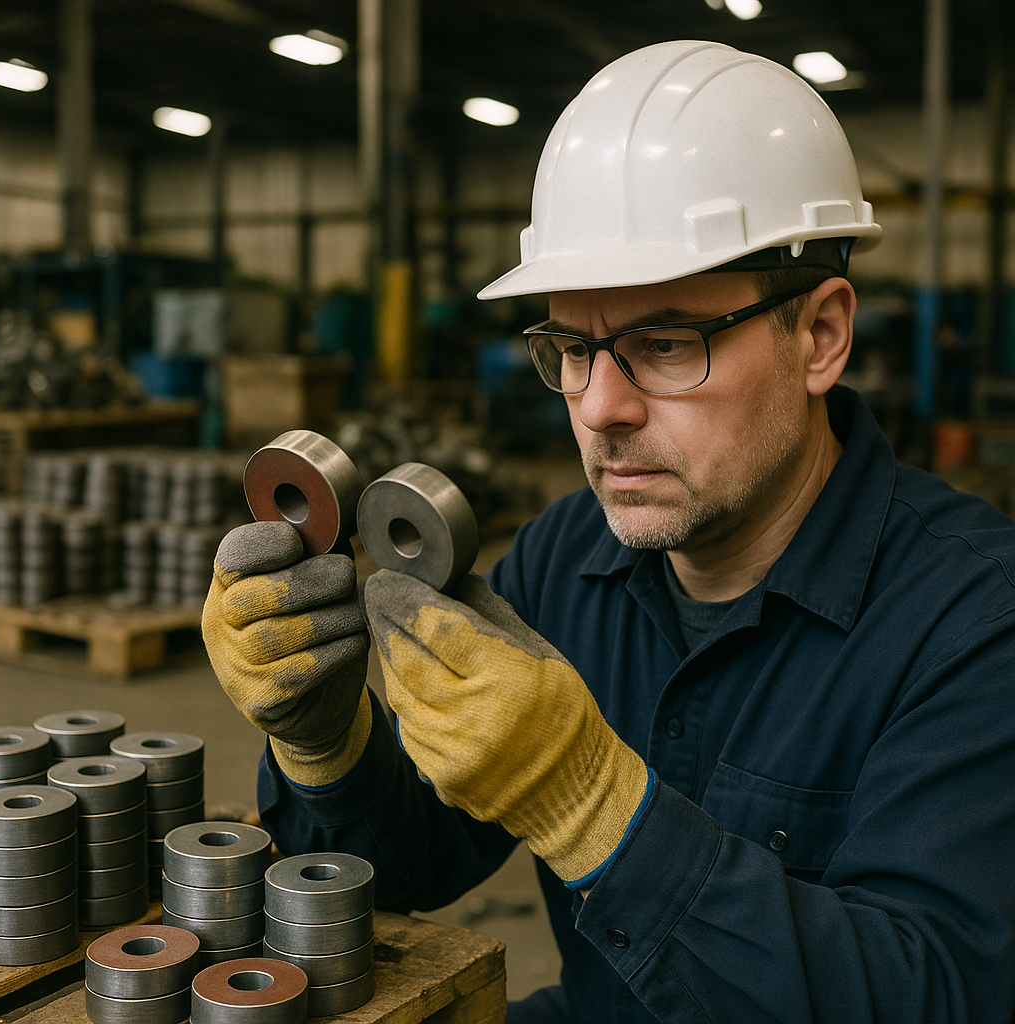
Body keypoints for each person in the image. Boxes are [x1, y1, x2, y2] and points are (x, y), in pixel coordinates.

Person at [203, 41, 1015, 1024]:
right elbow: (417, 864)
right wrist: (326, 744)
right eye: (571, 350)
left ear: (820, 336)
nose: (599, 408)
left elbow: (941, 996)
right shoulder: (564, 559)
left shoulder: (975, 628)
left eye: (664, 345)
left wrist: (597, 813)